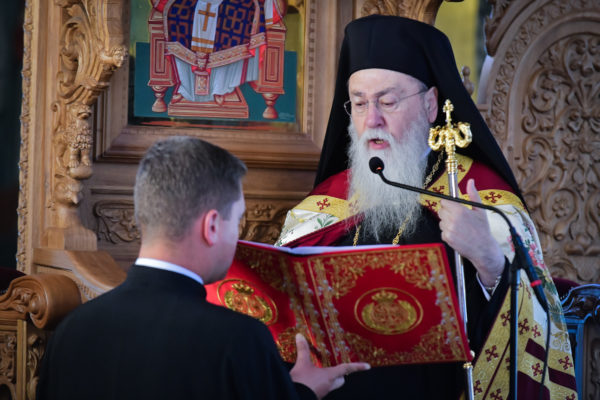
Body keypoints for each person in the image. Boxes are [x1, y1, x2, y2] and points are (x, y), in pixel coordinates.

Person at [275, 15, 577, 399]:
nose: (372, 120)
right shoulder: (323, 207)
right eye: (360, 103)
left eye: (388, 101)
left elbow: (538, 326)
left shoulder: (481, 197)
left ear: (431, 104)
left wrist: (489, 260)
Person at [36, 136, 369, 400]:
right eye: (236, 220)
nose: (236, 234)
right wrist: (302, 392)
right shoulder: (238, 340)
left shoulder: (71, 331)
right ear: (211, 226)